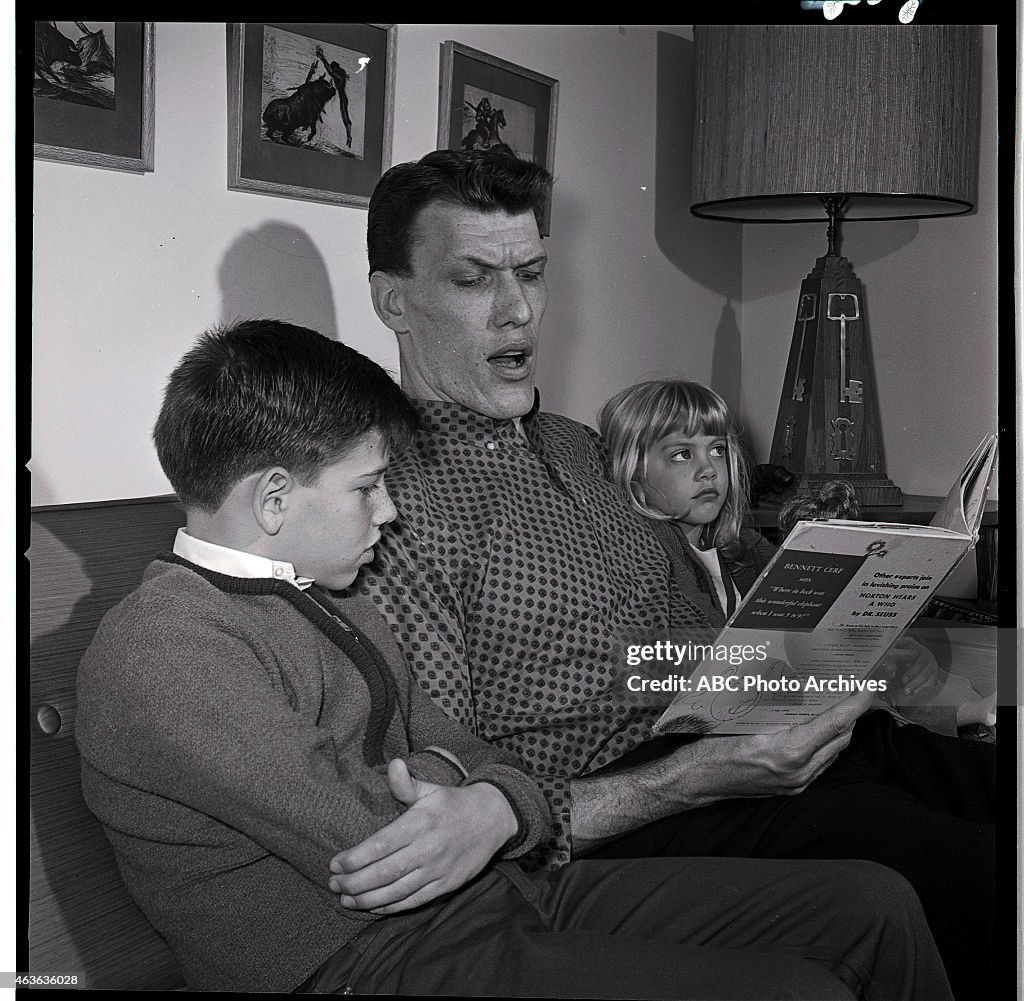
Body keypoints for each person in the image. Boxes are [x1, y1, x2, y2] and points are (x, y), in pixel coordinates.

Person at [75, 319, 951, 999]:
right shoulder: (168, 648)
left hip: (496, 894)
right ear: (273, 499)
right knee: (795, 990)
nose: (388, 512)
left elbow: (470, 751)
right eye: (368, 487)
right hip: (363, 965)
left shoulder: (333, 598)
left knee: (873, 904)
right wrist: (467, 790)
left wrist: (485, 798)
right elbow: (373, 843)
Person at [353, 147, 997, 1001]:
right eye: (474, 280)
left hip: (753, 738)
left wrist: (819, 651)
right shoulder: (383, 504)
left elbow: (687, 627)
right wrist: (700, 773)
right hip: (646, 812)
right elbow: (460, 784)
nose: (519, 311)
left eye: (532, 274)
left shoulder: (582, 447)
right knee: (978, 873)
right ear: (393, 300)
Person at [597, 377, 994, 730]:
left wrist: (889, 650)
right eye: (682, 454)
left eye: (717, 450)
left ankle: (954, 716)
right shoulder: (650, 563)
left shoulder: (745, 550)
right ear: (635, 474)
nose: (709, 470)